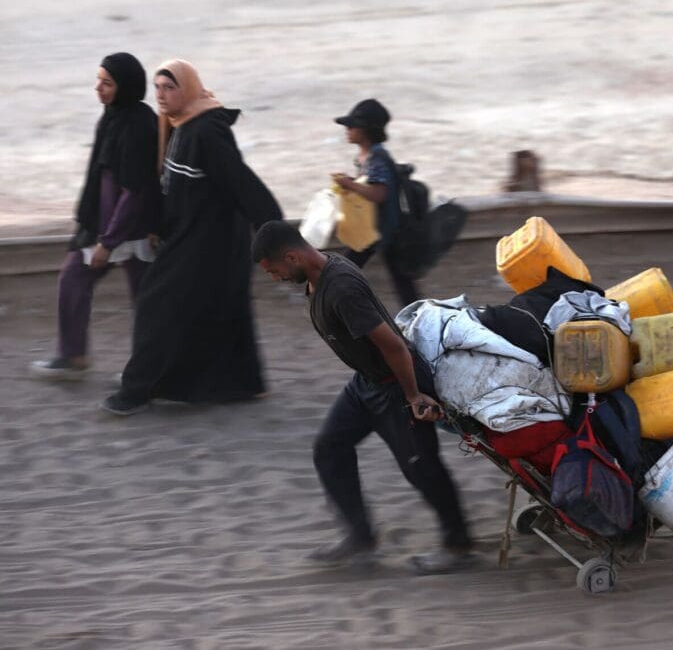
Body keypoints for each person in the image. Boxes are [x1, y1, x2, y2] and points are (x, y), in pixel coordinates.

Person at [251, 220, 475, 574]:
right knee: (329, 448)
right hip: (366, 383)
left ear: (292, 256)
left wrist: (414, 395)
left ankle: (458, 545)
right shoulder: (317, 274)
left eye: (274, 270)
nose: (275, 278)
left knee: (420, 467)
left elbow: (395, 346)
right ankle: (361, 537)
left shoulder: (341, 289)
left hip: (395, 382)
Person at [101, 59, 283, 416]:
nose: (161, 95)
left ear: (187, 89)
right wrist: (158, 226)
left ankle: (136, 390)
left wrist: (276, 230)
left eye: (169, 88)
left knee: (156, 305)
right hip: (189, 235)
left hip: (210, 243)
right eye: (157, 88)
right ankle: (242, 384)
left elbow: (242, 182)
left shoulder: (206, 131)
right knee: (222, 311)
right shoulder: (177, 125)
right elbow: (172, 187)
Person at [31, 53, 160, 381]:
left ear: (125, 86)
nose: (98, 88)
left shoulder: (140, 124)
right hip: (102, 223)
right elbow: (100, 176)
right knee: (73, 279)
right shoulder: (112, 116)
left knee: (145, 300)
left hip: (133, 227)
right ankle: (73, 355)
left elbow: (134, 191)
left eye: (107, 82)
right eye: (98, 80)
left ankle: (147, 370)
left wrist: (108, 242)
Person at [331, 99, 420, 308]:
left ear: (366, 130)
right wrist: (350, 185)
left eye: (351, 126)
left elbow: (379, 193)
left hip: (385, 231)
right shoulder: (365, 156)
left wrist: (350, 185)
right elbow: (369, 186)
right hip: (374, 228)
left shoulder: (377, 157)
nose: (347, 130)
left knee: (345, 270)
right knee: (401, 283)